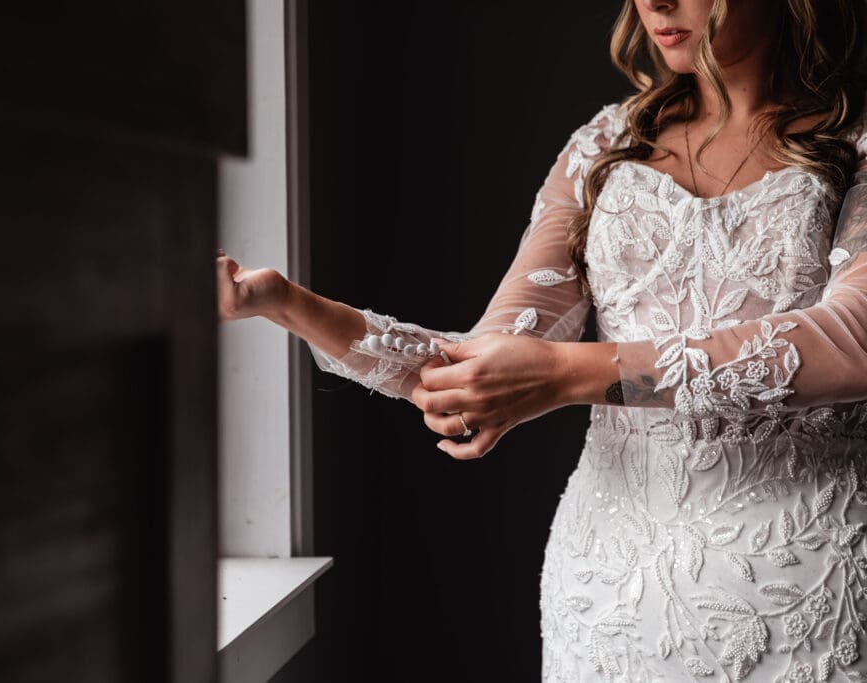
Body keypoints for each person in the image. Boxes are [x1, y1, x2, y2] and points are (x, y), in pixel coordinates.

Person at [218, 0, 867, 678]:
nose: (656, 3)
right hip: (610, 593)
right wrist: (285, 303)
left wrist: (564, 373)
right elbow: (473, 368)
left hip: (808, 584)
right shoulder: (604, 146)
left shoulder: (854, 143)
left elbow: (851, 341)